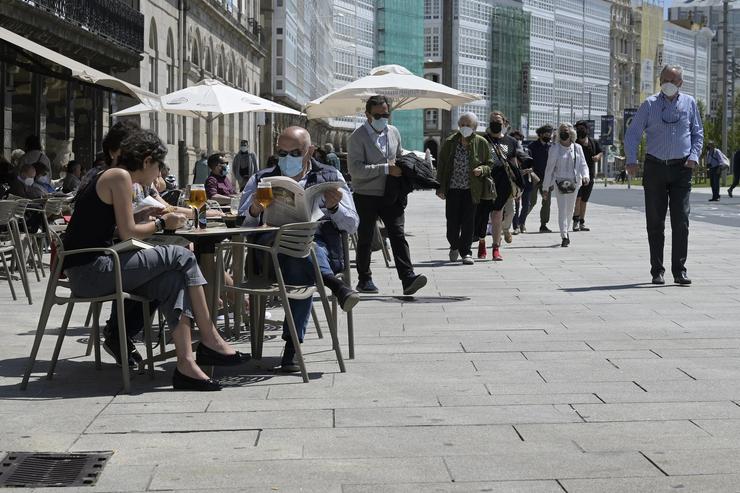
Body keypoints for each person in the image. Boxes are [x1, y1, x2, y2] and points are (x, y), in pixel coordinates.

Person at [62, 129, 247, 391]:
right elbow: (127, 233)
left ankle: (186, 365)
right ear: (147, 161)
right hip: (91, 270)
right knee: (182, 255)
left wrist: (148, 215)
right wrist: (162, 221)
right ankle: (210, 338)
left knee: (171, 280)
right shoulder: (119, 175)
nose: (159, 174)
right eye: (158, 166)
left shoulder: (115, 176)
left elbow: (115, 225)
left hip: (95, 268)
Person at [239, 126, 360, 372]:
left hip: (316, 247)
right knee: (300, 250)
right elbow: (242, 225)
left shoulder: (330, 176)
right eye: (281, 153)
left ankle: (293, 345)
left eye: (295, 152)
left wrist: (335, 208)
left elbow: (352, 224)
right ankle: (334, 285)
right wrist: (254, 209)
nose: (287, 158)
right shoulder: (261, 179)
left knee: (305, 250)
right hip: (270, 254)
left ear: (310, 151)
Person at [625, 64, 703, 286]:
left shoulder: (689, 103)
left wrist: (694, 156)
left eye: (673, 80)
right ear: (660, 81)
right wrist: (631, 159)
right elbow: (633, 133)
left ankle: (680, 270)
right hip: (655, 167)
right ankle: (657, 270)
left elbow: (697, 133)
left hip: (681, 169)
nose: (668, 83)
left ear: (681, 83)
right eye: (665, 79)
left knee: (681, 221)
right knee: (655, 221)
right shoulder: (649, 104)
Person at [348, 95, 427, 295]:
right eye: (378, 115)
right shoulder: (357, 137)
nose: (383, 118)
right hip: (366, 194)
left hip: (391, 192)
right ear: (367, 114)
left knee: (398, 234)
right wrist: (384, 168)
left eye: (386, 114)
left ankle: (408, 277)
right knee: (366, 237)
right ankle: (364, 278)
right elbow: (355, 170)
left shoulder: (393, 132)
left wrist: (409, 165)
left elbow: (398, 155)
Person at [436, 112, 491, 265]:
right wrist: (440, 187)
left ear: (475, 127)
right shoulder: (450, 142)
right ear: (459, 126)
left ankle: (466, 252)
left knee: (469, 222)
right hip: (453, 188)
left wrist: (482, 170)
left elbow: (490, 163)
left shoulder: (481, 143)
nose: (465, 127)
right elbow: (441, 165)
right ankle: (454, 245)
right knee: (452, 221)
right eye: (463, 124)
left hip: (472, 189)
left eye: (469, 125)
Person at [481, 111, 528, 261]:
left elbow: (514, 165)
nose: (495, 123)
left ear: (503, 124)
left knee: (497, 214)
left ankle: (496, 247)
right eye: (492, 121)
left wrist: (518, 184)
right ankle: (482, 242)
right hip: (484, 181)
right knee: (482, 215)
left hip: (503, 182)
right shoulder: (482, 140)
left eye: (498, 121)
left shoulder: (511, 142)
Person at [542, 123, 589, 247]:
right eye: (562, 130)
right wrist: (545, 188)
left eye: (566, 130)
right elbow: (549, 169)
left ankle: (566, 230)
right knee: (562, 209)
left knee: (570, 209)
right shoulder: (554, 148)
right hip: (559, 182)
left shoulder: (577, 147)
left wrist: (585, 176)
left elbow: (583, 164)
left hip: (574, 182)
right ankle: (564, 235)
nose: (564, 132)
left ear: (571, 133)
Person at [572, 120, 603, 231]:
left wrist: (597, 157)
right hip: (576, 175)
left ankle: (582, 222)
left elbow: (600, 152)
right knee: (578, 199)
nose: (579, 130)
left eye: (581, 128)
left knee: (584, 200)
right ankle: (575, 220)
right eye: (577, 128)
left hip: (590, 175)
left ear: (586, 129)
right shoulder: (574, 143)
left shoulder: (593, 142)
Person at [527, 125, 554, 233]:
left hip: (547, 179)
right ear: (541, 134)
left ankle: (543, 225)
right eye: (546, 133)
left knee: (546, 202)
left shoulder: (552, 147)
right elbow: (528, 161)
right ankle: (520, 222)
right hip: (534, 178)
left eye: (550, 133)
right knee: (531, 202)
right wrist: (532, 174)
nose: (549, 135)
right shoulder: (532, 146)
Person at [509, 129, 533, 235]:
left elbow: (532, 163)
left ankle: (522, 223)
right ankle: (516, 226)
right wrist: (520, 172)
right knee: (516, 204)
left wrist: (530, 169)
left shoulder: (527, 150)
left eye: (519, 138)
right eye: (515, 138)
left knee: (526, 204)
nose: (517, 140)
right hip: (516, 181)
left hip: (527, 180)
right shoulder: (510, 151)